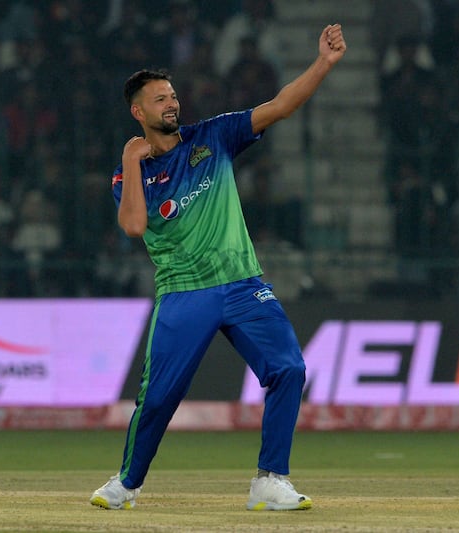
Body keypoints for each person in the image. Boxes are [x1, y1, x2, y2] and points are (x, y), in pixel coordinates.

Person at [90, 24, 347, 512]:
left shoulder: (214, 136)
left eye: (172, 95)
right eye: (159, 98)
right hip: (185, 292)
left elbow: (281, 106)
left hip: (243, 283)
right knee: (161, 397)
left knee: (288, 369)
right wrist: (128, 154)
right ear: (137, 111)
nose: (171, 103)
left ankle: (270, 481)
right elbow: (133, 227)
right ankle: (126, 484)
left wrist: (323, 65)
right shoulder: (133, 171)